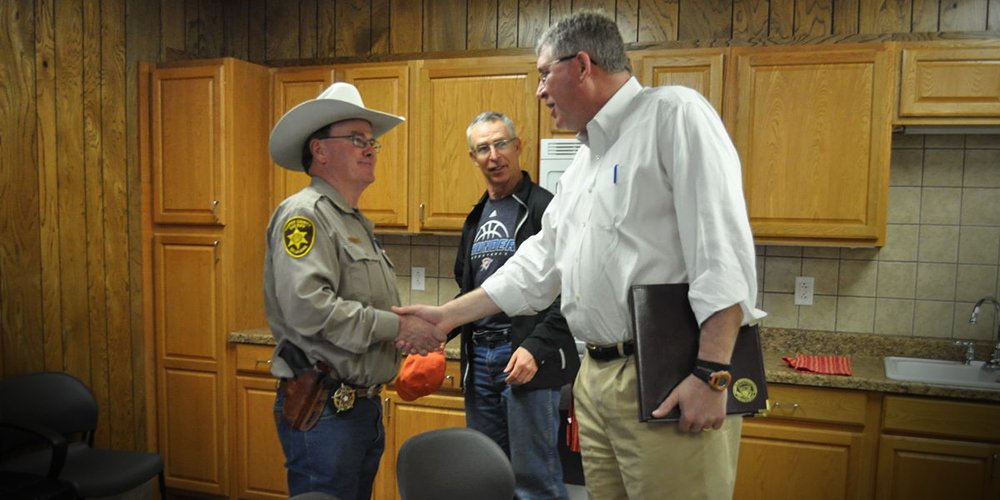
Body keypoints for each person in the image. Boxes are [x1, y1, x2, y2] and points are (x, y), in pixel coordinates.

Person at [395, 11, 765, 499]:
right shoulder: (584, 163)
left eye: (544, 74)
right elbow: (536, 266)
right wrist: (446, 317)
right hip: (595, 378)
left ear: (583, 66)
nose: (539, 91)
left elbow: (723, 253)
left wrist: (710, 375)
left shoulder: (673, 114)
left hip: (668, 373)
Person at [264, 82, 444, 499]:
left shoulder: (353, 222)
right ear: (320, 151)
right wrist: (398, 327)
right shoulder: (305, 215)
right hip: (324, 409)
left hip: (360, 408)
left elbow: (358, 307)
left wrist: (405, 330)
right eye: (357, 139)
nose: (370, 149)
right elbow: (309, 309)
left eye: (372, 142)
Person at [453, 111, 580, 500]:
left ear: (518, 146)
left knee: (534, 483)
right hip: (480, 360)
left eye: (501, 144)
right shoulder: (476, 216)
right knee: (486, 477)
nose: (494, 156)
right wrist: (434, 328)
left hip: (525, 358)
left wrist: (535, 348)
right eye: (483, 148)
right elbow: (468, 292)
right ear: (473, 158)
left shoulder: (545, 208)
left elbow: (570, 291)